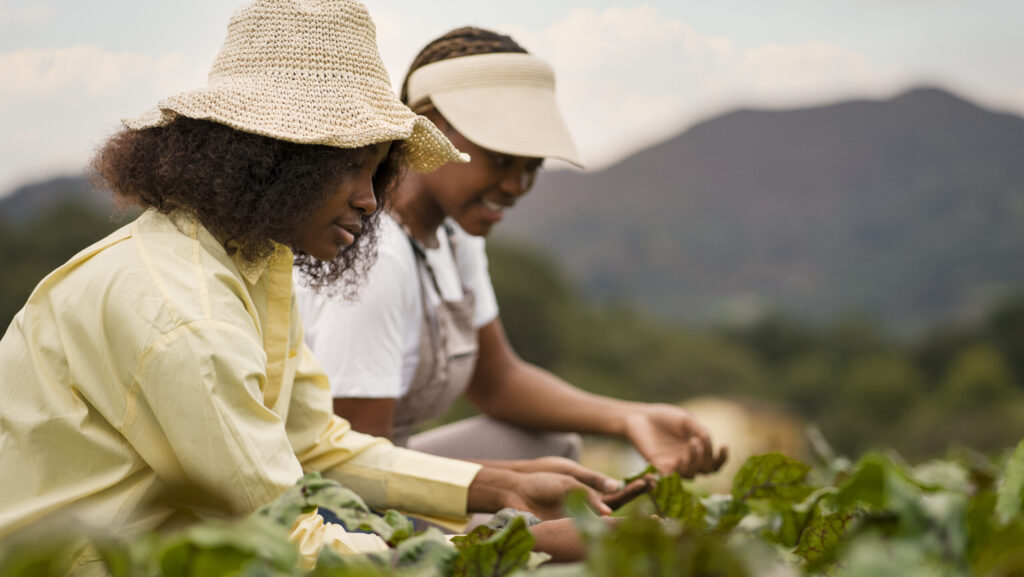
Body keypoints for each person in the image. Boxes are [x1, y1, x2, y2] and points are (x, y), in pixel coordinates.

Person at [0, 2, 632, 570]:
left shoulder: (252, 266)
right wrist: (501, 550)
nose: (368, 199)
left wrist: (496, 489)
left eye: (377, 170)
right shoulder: (183, 314)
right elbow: (288, 542)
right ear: (272, 161)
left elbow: (316, 445)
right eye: (349, 168)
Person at [296, 28, 728, 480]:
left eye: (532, 167)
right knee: (541, 489)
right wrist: (512, 484)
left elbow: (497, 381)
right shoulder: (378, 260)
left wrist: (630, 418)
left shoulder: (454, 239)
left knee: (551, 445)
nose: (517, 187)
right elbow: (355, 470)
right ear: (434, 128)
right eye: (502, 160)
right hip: (332, 500)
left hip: (384, 471)